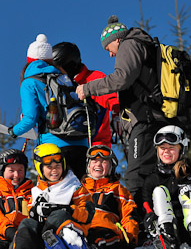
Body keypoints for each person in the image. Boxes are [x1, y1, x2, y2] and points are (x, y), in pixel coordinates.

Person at [75, 15, 178, 214]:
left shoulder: (129, 45)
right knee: (154, 171)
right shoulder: (143, 45)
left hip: (146, 119)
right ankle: (158, 217)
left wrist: (88, 88)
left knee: (135, 173)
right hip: (156, 117)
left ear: (116, 40)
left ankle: (136, 221)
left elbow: (121, 78)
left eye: (108, 49)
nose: (111, 56)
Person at [3, 144, 95, 249]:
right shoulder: (35, 192)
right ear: (40, 168)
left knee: (58, 216)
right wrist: (34, 212)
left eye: (57, 166)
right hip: (44, 242)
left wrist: (67, 210)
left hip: (69, 233)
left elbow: (88, 212)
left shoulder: (74, 187)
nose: (54, 170)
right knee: (27, 223)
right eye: (49, 167)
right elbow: (27, 214)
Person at [9, 34, 89, 179]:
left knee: (59, 195)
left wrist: (13, 131)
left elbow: (29, 119)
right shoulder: (64, 78)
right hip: (81, 143)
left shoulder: (30, 82)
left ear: (29, 61)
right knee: (81, 195)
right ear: (50, 60)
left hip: (54, 146)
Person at [141, 125, 191, 249]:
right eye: (162, 148)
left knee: (185, 189)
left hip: (189, 227)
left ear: (181, 150)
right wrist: (149, 216)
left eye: (172, 148)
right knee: (159, 191)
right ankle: (167, 239)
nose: (166, 152)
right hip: (170, 227)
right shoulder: (152, 178)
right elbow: (146, 202)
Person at [52, 42, 119, 148]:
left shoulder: (94, 78)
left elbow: (115, 102)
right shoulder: (57, 85)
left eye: (58, 69)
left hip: (95, 146)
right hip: (64, 143)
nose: (56, 72)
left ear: (68, 65)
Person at [82, 145, 139, 249]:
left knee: (98, 237)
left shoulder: (117, 189)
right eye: (94, 161)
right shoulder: (78, 188)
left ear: (111, 167)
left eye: (103, 161)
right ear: (88, 166)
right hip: (82, 229)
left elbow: (129, 213)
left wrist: (130, 237)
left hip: (106, 230)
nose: (98, 164)